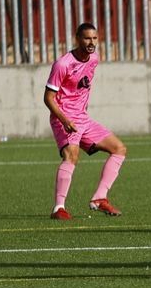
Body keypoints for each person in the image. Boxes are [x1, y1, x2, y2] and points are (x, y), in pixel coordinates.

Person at [44, 22, 127, 220]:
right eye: (87, 38)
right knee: (71, 155)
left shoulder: (94, 59)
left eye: (95, 38)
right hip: (64, 117)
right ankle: (58, 208)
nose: (91, 42)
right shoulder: (62, 64)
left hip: (83, 118)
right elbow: (48, 98)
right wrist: (65, 120)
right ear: (77, 39)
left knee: (119, 149)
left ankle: (99, 198)